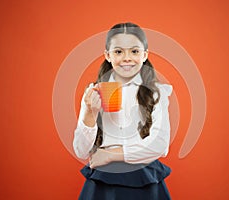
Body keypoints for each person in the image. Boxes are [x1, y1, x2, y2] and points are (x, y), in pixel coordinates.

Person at [73, 22, 173, 200]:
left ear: (145, 55)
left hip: (144, 179)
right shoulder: (94, 91)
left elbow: (160, 145)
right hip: (103, 181)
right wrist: (91, 113)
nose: (127, 58)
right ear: (108, 55)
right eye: (118, 51)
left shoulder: (157, 92)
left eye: (134, 51)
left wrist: (111, 155)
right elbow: (81, 151)